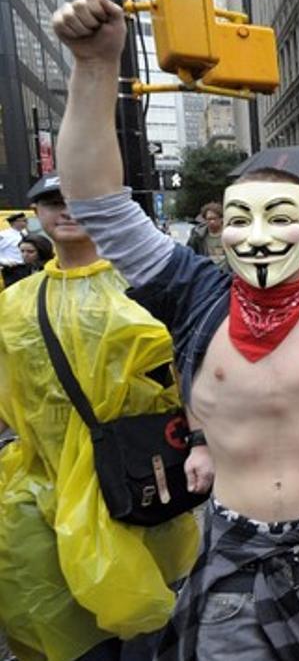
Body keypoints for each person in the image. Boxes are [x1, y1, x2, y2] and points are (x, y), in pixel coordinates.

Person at [52, 0, 299, 657]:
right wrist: (94, 67)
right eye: (240, 219)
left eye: (280, 217)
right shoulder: (191, 293)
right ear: (220, 228)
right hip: (229, 549)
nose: (259, 237)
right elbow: (98, 203)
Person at [0, 158, 202, 659]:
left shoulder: (152, 288)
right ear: (37, 212)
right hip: (43, 484)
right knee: (62, 617)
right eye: (52, 201)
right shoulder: (16, 300)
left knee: (143, 623)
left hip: (135, 479)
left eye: (79, 199)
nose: (66, 210)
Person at [187, 201, 228, 269]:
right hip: (207, 274)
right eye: (209, 219)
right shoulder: (198, 236)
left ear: (221, 218)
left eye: (215, 218)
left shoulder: (230, 235)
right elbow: (190, 255)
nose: (212, 222)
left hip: (227, 274)